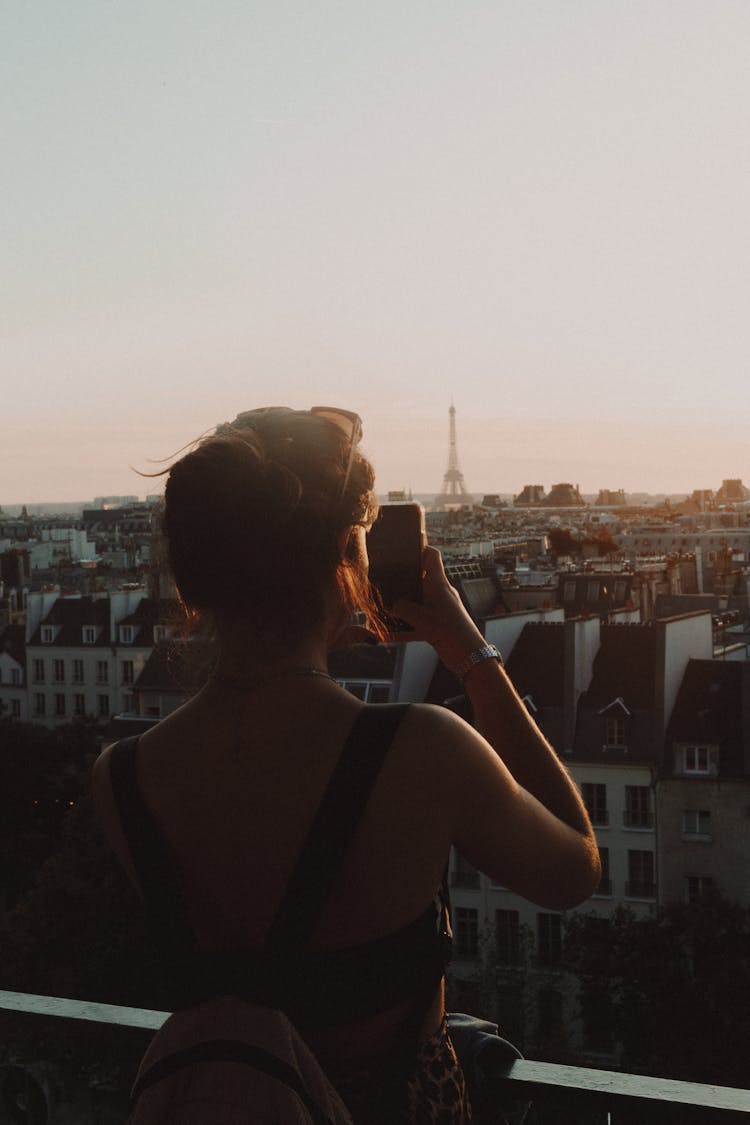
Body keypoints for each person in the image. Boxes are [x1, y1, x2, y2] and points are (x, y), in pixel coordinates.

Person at [92, 406, 600, 1124]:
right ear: (343, 558)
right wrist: (473, 655)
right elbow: (575, 867)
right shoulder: (421, 749)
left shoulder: (122, 779)